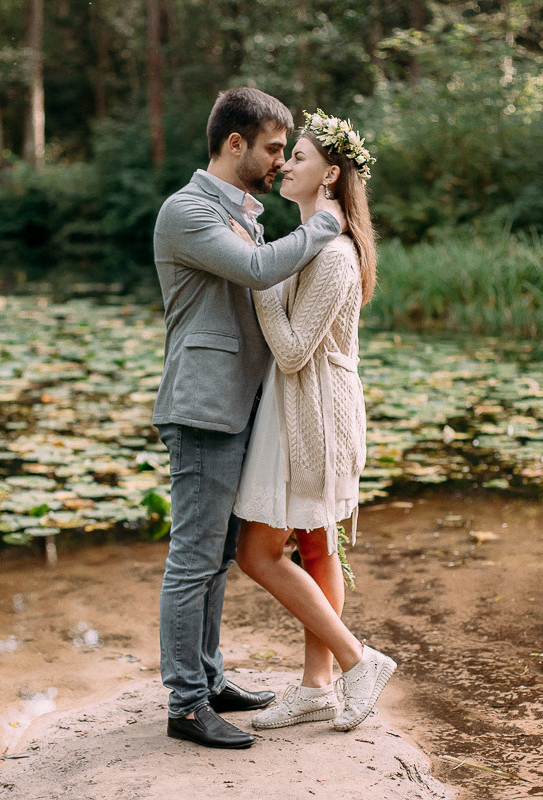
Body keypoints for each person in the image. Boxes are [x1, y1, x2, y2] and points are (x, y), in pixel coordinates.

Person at [152, 88, 346, 750]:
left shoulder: (244, 214)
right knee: (194, 557)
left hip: (242, 406)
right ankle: (185, 705)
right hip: (205, 407)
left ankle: (208, 679)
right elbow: (259, 271)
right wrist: (325, 220)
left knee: (214, 562)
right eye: (269, 148)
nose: (276, 161)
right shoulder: (187, 212)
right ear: (233, 143)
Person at [230, 110, 395, 733]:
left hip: (316, 411)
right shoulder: (309, 243)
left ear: (329, 175)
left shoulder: (333, 255)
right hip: (302, 404)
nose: (285, 165)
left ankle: (357, 661)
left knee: (258, 552)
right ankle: (317, 687)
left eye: (296, 157)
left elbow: (296, 349)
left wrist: (259, 282)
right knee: (319, 543)